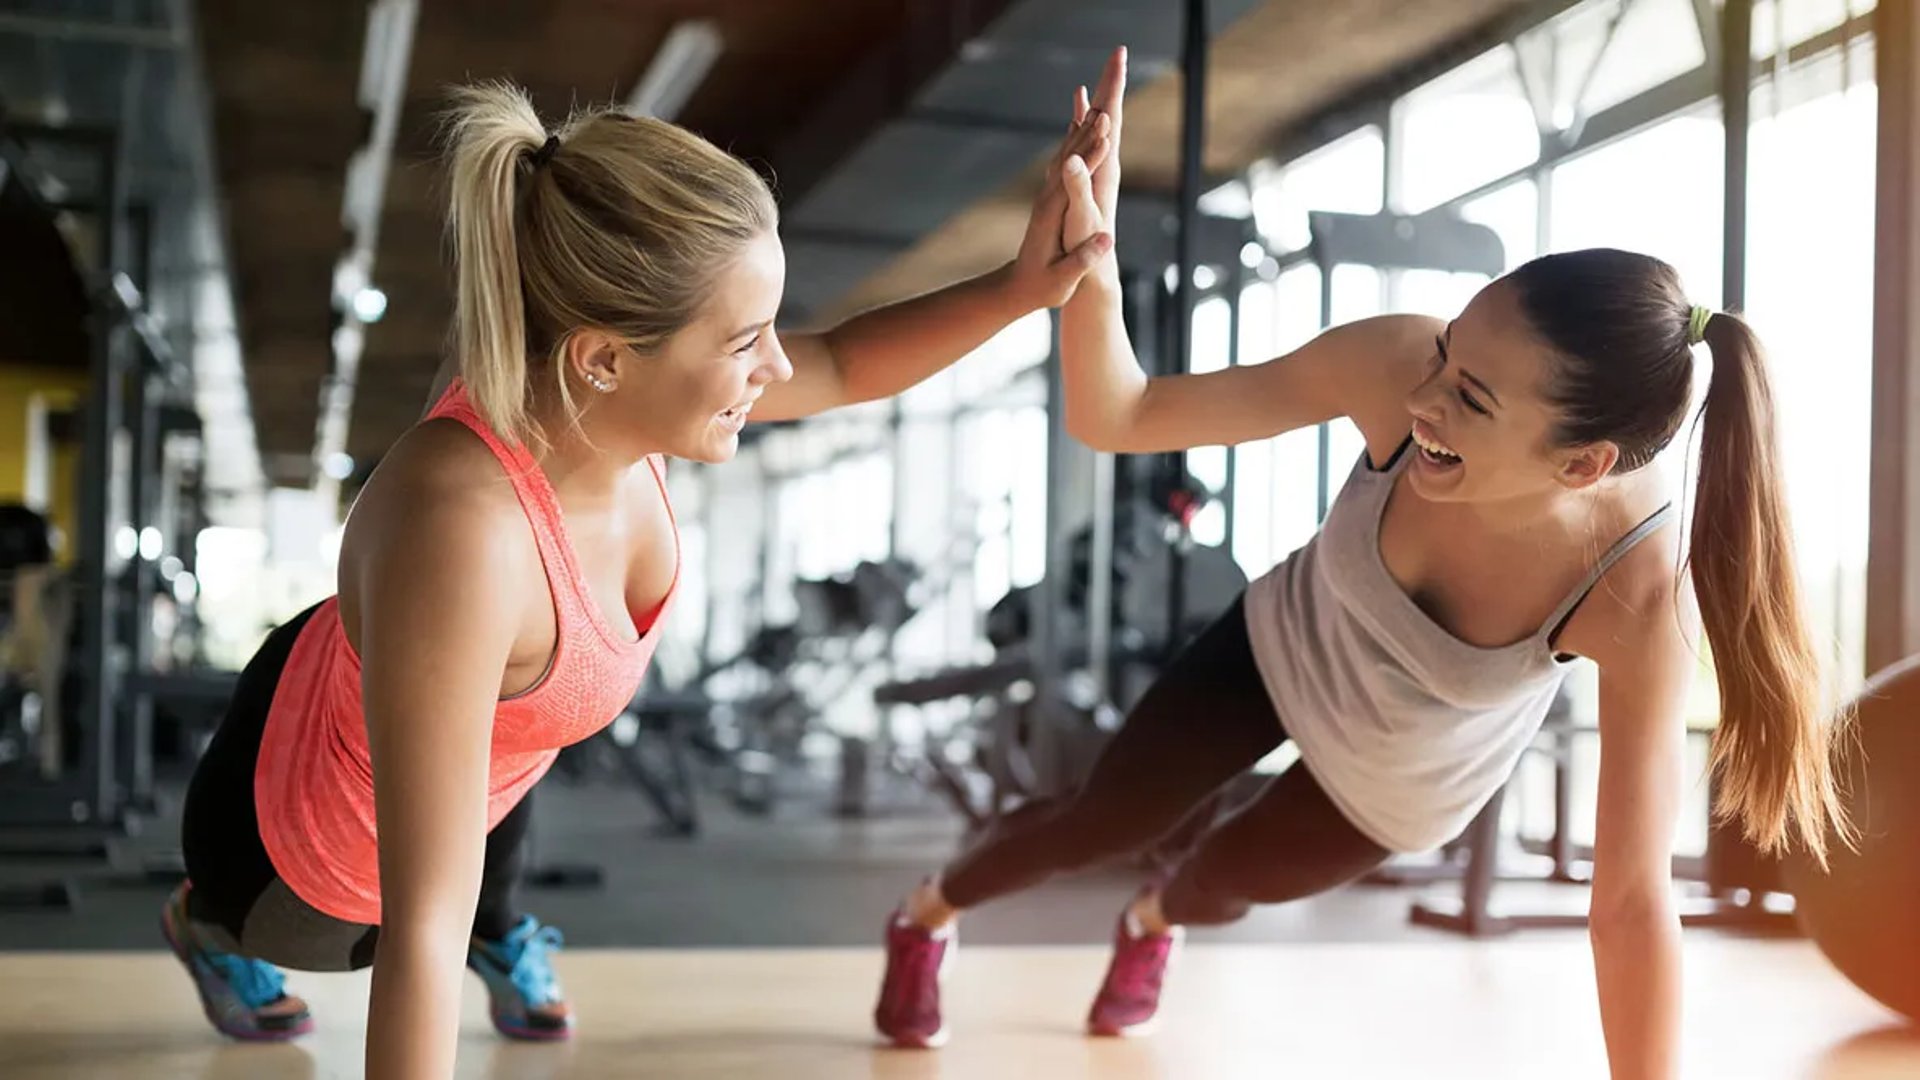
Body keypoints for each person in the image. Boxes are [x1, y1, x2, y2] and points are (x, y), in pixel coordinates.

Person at [874, 47, 1852, 1080]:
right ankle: (925, 914)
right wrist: (1092, 263)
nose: (1425, 399)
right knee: (1102, 820)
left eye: (1472, 400)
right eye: (1447, 358)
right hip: (1282, 645)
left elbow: (1630, 900)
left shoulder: (1632, 595)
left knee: (1218, 884)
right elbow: (1118, 413)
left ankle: (1155, 919)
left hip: (1399, 781)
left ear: (1584, 464)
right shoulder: (1395, 367)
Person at [160, 77, 1115, 1079]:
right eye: (745, 343)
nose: (777, 369)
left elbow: (839, 364)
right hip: (291, 860)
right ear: (603, 359)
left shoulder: (611, 405)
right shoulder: (464, 532)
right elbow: (422, 935)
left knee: (495, 775)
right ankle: (203, 930)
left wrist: (1022, 285)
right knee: (368, 922)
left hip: (464, 714)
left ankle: (494, 902)